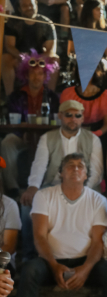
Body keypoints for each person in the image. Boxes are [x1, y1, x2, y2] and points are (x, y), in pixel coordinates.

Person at [16, 154, 107, 297]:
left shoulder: (97, 200)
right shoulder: (44, 195)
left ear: (86, 175)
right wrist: (54, 265)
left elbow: (99, 241)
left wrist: (85, 269)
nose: (75, 169)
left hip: (85, 261)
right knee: (29, 270)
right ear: (61, 173)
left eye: (80, 166)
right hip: (50, 261)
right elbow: (39, 236)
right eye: (70, 166)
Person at [0, 51, 59, 194]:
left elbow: (56, 120)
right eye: (32, 73)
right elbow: (11, 118)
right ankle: (13, 188)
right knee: (7, 143)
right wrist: (24, 133)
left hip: (46, 137)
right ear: (26, 75)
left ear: (45, 76)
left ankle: (49, 186)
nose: (36, 77)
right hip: (21, 135)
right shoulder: (16, 96)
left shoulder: (52, 97)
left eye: (40, 74)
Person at [2, 0, 56, 95]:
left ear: (36, 5)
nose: (29, 7)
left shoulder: (47, 23)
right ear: (19, 9)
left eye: (31, 4)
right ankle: (9, 97)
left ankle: (50, 96)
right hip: (19, 57)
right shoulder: (12, 23)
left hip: (41, 59)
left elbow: (51, 49)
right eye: (24, 6)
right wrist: (22, 56)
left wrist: (39, 59)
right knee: (5, 58)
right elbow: (9, 46)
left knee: (55, 60)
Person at [60, 60, 107, 142]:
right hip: (72, 135)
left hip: (98, 137)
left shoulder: (106, 96)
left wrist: (95, 134)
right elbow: (64, 119)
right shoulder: (68, 93)